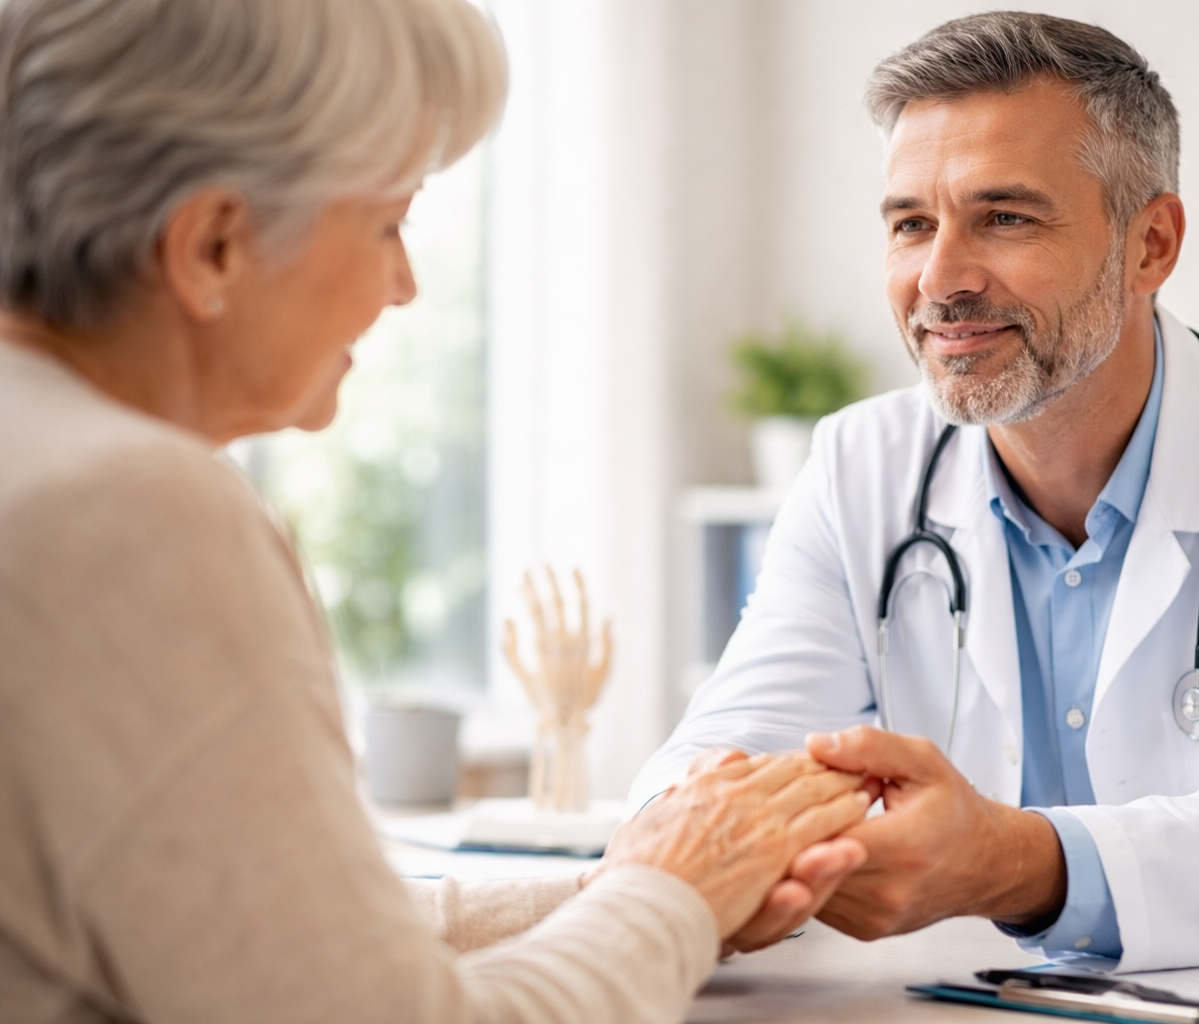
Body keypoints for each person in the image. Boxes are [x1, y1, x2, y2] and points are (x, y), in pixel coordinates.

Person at [0, 1, 874, 1022]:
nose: (405, 285)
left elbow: (284, 939)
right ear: (213, 246)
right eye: (388, 222)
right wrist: (671, 894)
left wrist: (621, 890)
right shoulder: (125, 511)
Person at [630, 11, 1199, 973]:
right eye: (912, 224)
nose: (939, 279)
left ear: (1150, 244)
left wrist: (1005, 861)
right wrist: (679, 845)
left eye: (1005, 217)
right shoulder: (858, 467)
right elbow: (720, 760)